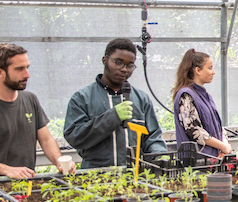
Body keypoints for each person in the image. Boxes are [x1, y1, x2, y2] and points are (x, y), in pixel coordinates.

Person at [0, 44, 69, 179]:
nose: (27, 74)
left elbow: (46, 139)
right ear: (0, 72)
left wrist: (59, 162)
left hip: (26, 185)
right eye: (20, 69)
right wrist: (6, 170)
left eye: (27, 67)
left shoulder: (30, 100)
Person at [64, 38, 168, 168]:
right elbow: (74, 137)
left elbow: (152, 137)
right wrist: (112, 117)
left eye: (130, 65)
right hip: (96, 177)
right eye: (118, 63)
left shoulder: (141, 99)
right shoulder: (82, 98)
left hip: (135, 176)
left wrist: (160, 155)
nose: (124, 69)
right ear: (105, 60)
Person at [172, 49, 232, 157]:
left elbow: (219, 126)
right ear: (198, 70)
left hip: (213, 159)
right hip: (197, 163)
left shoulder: (206, 96)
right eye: (210, 68)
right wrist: (222, 146)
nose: (213, 72)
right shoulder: (186, 95)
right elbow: (193, 130)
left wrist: (225, 144)